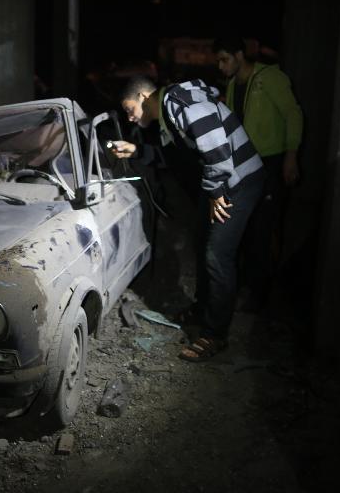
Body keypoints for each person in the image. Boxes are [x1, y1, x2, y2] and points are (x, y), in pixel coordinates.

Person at [109, 77, 264, 361]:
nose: (129, 117)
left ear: (144, 96)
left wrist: (217, 190)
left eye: (130, 109)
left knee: (218, 255)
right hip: (221, 181)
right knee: (203, 242)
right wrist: (137, 151)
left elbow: (216, 147)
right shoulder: (168, 117)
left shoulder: (182, 102)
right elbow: (174, 158)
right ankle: (202, 310)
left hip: (239, 181)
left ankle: (215, 335)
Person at [213, 34, 304, 312]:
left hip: (271, 161)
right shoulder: (231, 85)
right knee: (249, 227)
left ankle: (261, 295)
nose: (221, 66)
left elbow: (293, 113)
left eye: (225, 59)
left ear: (240, 56)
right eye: (219, 60)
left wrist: (291, 155)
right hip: (245, 166)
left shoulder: (269, 79)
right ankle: (250, 286)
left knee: (264, 228)